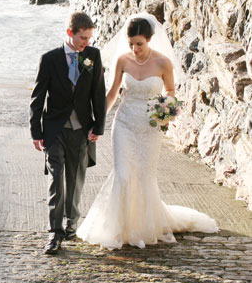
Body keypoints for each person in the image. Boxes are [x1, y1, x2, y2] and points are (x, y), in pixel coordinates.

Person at [76, 13, 219, 249]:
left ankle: (142, 227)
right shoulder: (123, 60)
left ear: (149, 40)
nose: (135, 49)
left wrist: (165, 110)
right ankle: (119, 229)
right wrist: (98, 121)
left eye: (139, 44)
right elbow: (112, 94)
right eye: (131, 43)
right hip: (124, 124)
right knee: (122, 175)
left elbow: (170, 90)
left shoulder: (163, 63)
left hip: (150, 127)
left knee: (143, 176)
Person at [29, 11, 107, 255]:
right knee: (56, 179)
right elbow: (38, 97)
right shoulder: (49, 59)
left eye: (89, 38)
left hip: (82, 129)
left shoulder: (93, 56)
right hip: (55, 130)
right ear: (70, 33)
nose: (86, 43)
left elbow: (98, 93)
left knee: (76, 179)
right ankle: (55, 232)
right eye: (82, 38)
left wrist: (98, 125)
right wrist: (36, 131)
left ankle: (71, 224)